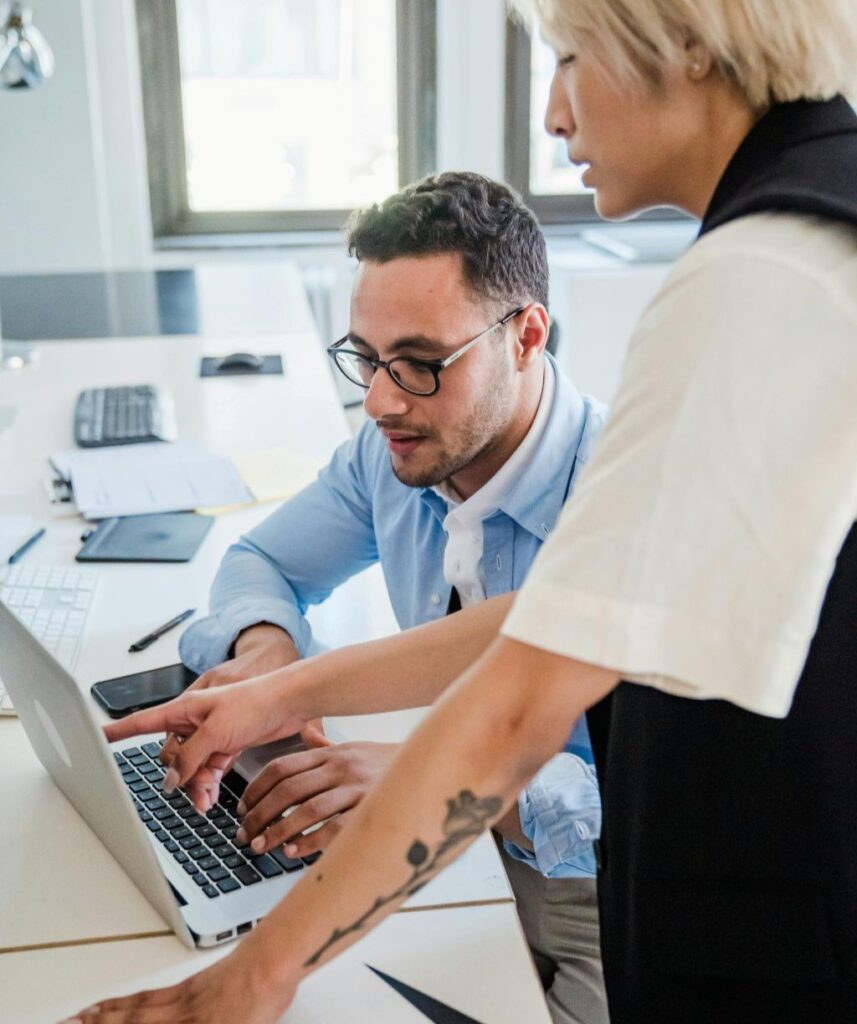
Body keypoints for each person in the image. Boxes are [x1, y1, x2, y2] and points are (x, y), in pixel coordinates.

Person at [71, 0, 857, 1021]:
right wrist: (275, 687)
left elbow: (528, 691)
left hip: (755, 917)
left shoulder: (759, 273)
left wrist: (254, 975)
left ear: (687, 42)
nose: (551, 117)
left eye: (570, 57)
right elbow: (564, 617)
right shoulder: (815, 223)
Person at [173, 170, 609, 1024]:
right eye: (366, 359)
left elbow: (670, 806)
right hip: (443, 853)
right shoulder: (402, 447)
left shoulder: (620, 498)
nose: (378, 400)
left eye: (418, 363)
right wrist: (267, 659)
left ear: (525, 337)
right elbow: (260, 559)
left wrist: (435, 784)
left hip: (595, 898)